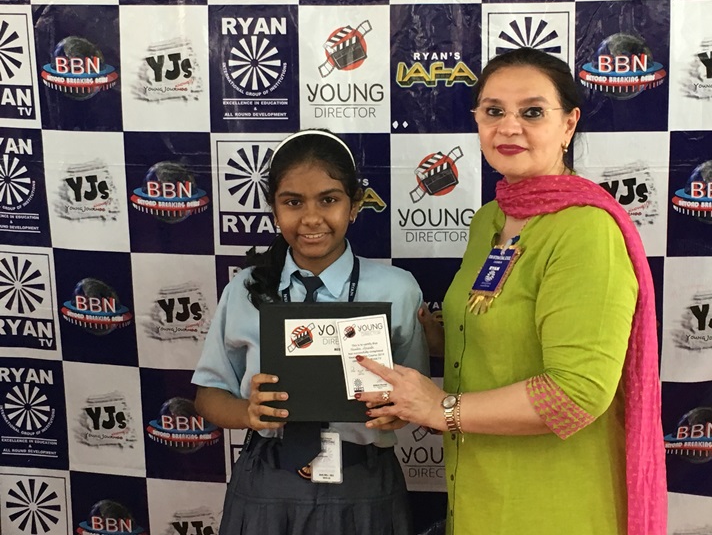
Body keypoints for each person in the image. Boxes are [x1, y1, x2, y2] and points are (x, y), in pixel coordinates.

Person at [356, 48, 667, 535]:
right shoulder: (490, 219)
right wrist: (439, 340)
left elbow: (576, 392)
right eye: (494, 111)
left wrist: (439, 407)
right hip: (479, 490)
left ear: (569, 124)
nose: (509, 127)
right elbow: (506, 333)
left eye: (533, 112)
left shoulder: (586, 230)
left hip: (555, 505)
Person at [192, 129, 429, 535]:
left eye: (329, 200)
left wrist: (399, 412)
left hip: (364, 481)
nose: (311, 218)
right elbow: (208, 396)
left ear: (355, 205)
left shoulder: (397, 289)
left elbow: (418, 395)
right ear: (273, 209)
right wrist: (247, 412)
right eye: (293, 202)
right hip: (267, 479)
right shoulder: (245, 289)